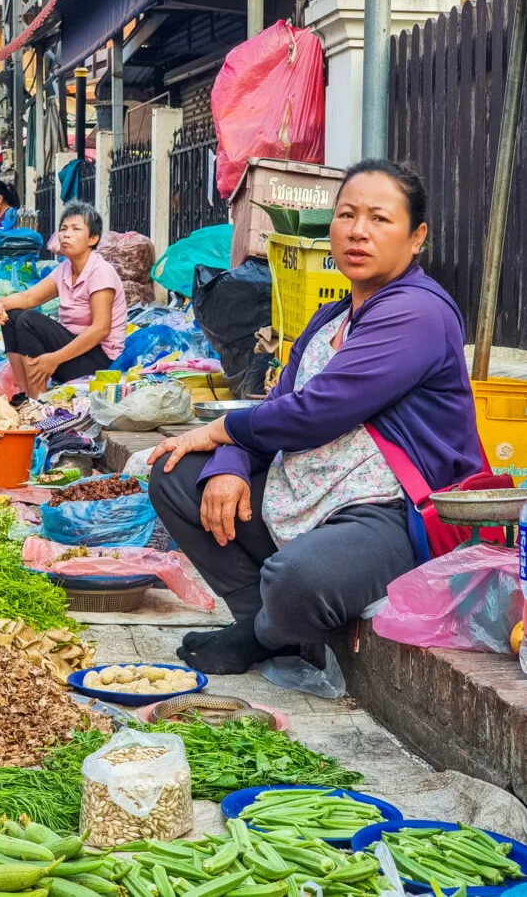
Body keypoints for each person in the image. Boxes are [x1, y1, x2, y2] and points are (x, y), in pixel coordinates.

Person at [148, 159, 483, 676]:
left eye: (379, 219)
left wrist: (221, 430)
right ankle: (265, 625)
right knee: (178, 475)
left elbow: (315, 412)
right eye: (346, 215)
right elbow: (277, 402)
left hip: (392, 510)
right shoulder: (331, 316)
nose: (358, 231)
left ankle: (263, 633)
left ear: (417, 237)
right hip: (305, 487)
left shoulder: (417, 313)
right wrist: (231, 465)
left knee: (298, 579)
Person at [0, 201, 126, 399]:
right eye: (63, 229)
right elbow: (29, 297)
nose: (66, 234)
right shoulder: (65, 269)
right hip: (72, 353)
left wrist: (54, 359)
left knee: (28, 320)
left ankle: (38, 404)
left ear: (93, 238)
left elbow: (100, 329)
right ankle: (25, 396)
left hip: (100, 362)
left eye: (76, 229)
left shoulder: (101, 271)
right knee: (12, 316)